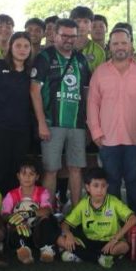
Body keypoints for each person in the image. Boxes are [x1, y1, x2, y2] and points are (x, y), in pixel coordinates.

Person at [87, 26, 136, 218]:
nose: (120, 47)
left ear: (131, 45)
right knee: (112, 181)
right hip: (107, 138)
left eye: (124, 43)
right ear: (109, 46)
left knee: (134, 180)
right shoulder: (100, 72)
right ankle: (115, 219)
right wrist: (95, 132)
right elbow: (92, 103)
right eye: (116, 43)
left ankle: (135, 219)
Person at [31, 17, 91, 206]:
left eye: (72, 36)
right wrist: (41, 122)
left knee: (76, 168)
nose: (68, 40)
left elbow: (87, 92)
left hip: (77, 124)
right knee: (51, 169)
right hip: (52, 124)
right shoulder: (44, 57)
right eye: (64, 35)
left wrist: (88, 122)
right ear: (54, 35)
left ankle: (76, 212)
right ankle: (47, 213)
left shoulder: (81, 59)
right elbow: (34, 91)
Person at [0, 32, 35, 195]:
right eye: (18, 45)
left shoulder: (31, 71)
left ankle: (13, 207)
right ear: (10, 47)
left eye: (26, 46)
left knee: (17, 171)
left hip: (22, 130)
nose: (22, 49)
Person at [58, 167, 136, 267]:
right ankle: (100, 258)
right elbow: (65, 224)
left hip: (110, 241)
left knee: (124, 246)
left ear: (107, 186)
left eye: (103, 186)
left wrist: (115, 239)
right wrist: (68, 234)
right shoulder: (83, 204)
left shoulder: (113, 202)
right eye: (96, 186)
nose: (100, 190)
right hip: (89, 241)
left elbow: (133, 219)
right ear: (88, 187)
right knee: (60, 240)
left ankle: (81, 255)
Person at [1, 159, 58, 264]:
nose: (27, 177)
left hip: (37, 231)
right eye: (24, 174)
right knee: (13, 225)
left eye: (31, 174)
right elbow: (4, 214)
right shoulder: (11, 194)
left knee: (47, 219)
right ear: (18, 176)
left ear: (37, 177)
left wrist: (28, 214)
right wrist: (14, 218)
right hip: (22, 229)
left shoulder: (42, 192)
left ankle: (46, 248)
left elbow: (47, 210)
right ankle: (24, 250)